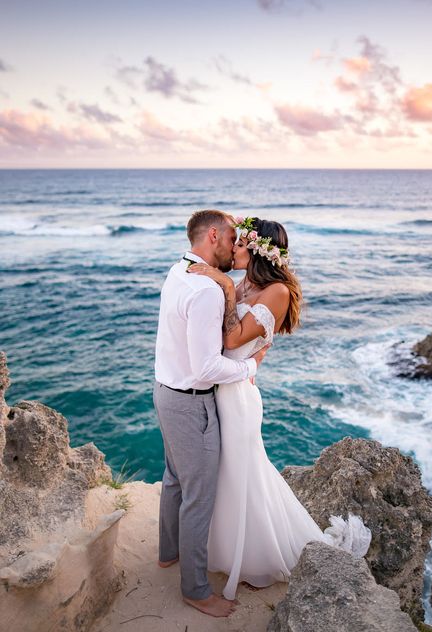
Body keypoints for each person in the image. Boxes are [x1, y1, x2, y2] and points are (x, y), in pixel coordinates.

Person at [188, 216, 372, 601]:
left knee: (245, 475)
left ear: (255, 250)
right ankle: (228, 547)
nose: (231, 249)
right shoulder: (247, 284)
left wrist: (220, 284)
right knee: (230, 475)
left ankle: (266, 559)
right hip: (227, 386)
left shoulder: (275, 291)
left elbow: (233, 336)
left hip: (237, 397)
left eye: (239, 244)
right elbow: (238, 342)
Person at [153, 210, 269, 618]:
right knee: (199, 496)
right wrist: (250, 368)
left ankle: (168, 554)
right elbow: (206, 368)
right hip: (191, 402)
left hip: (164, 391)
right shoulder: (207, 290)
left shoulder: (181, 269)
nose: (236, 247)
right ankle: (197, 590)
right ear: (214, 236)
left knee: (174, 479)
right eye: (233, 238)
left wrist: (225, 283)